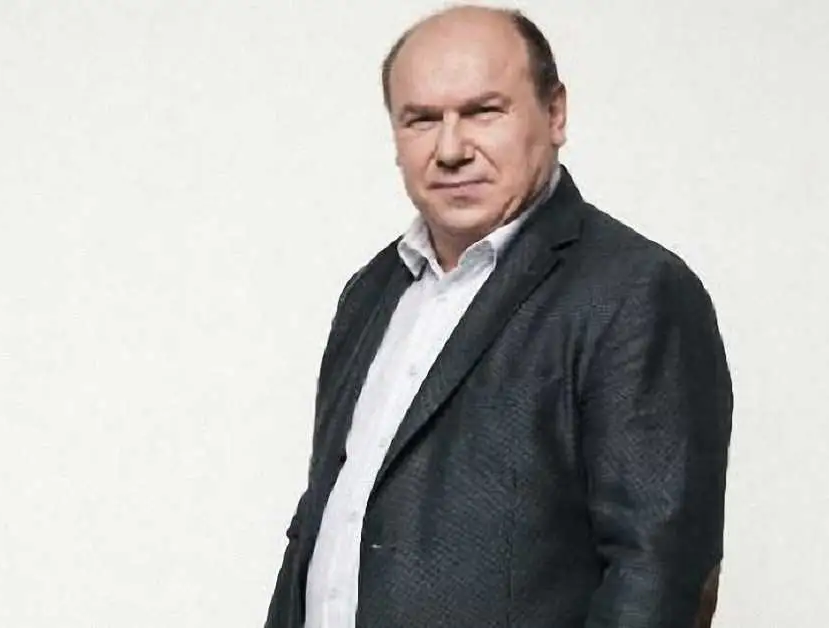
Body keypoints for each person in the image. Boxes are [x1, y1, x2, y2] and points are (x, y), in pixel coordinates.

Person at [265, 6, 732, 627]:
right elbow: (328, 525)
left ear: (555, 113)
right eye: (421, 120)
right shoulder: (370, 293)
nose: (450, 150)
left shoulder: (634, 291)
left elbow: (659, 573)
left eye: (483, 112)